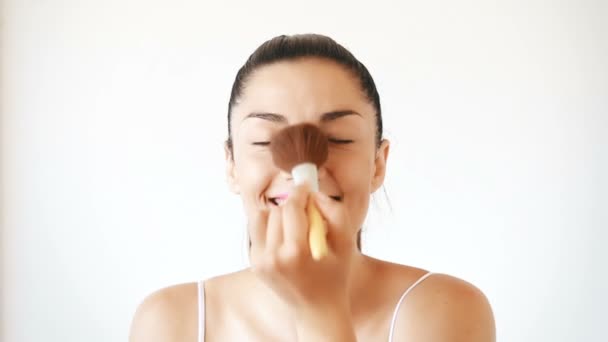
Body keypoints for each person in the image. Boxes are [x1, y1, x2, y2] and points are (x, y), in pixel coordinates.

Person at [129, 33, 496, 341]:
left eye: (337, 139)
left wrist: (320, 309)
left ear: (378, 164)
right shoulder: (170, 320)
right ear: (232, 166)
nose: (302, 168)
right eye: (265, 141)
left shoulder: (443, 309)